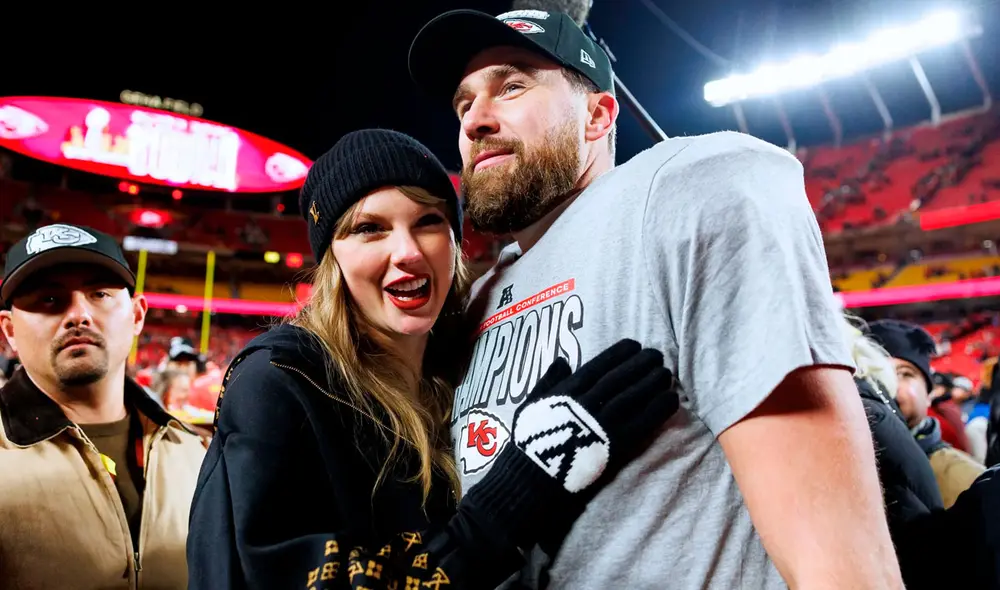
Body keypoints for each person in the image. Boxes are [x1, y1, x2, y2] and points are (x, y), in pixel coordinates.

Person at [408, 9, 902, 589]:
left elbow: (836, 557)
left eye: (512, 86)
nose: (476, 122)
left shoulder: (686, 186)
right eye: (463, 105)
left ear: (597, 116)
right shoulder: (476, 296)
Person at [186, 129, 678, 589]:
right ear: (332, 257)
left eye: (428, 222)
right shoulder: (279, 380)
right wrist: (517, 495)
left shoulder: (461, 369)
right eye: (369, 228)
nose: (407, 252)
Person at [0, 223, 207, 589]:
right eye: (49, 299)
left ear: (138, 315)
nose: (79, 314)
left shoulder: (195, 451)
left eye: (99, 294)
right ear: (10, 330)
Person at [868, 319, 984, 508]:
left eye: (904, 373)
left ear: (929, 393)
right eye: (875, 375)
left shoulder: (971, 482)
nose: (888, 384)